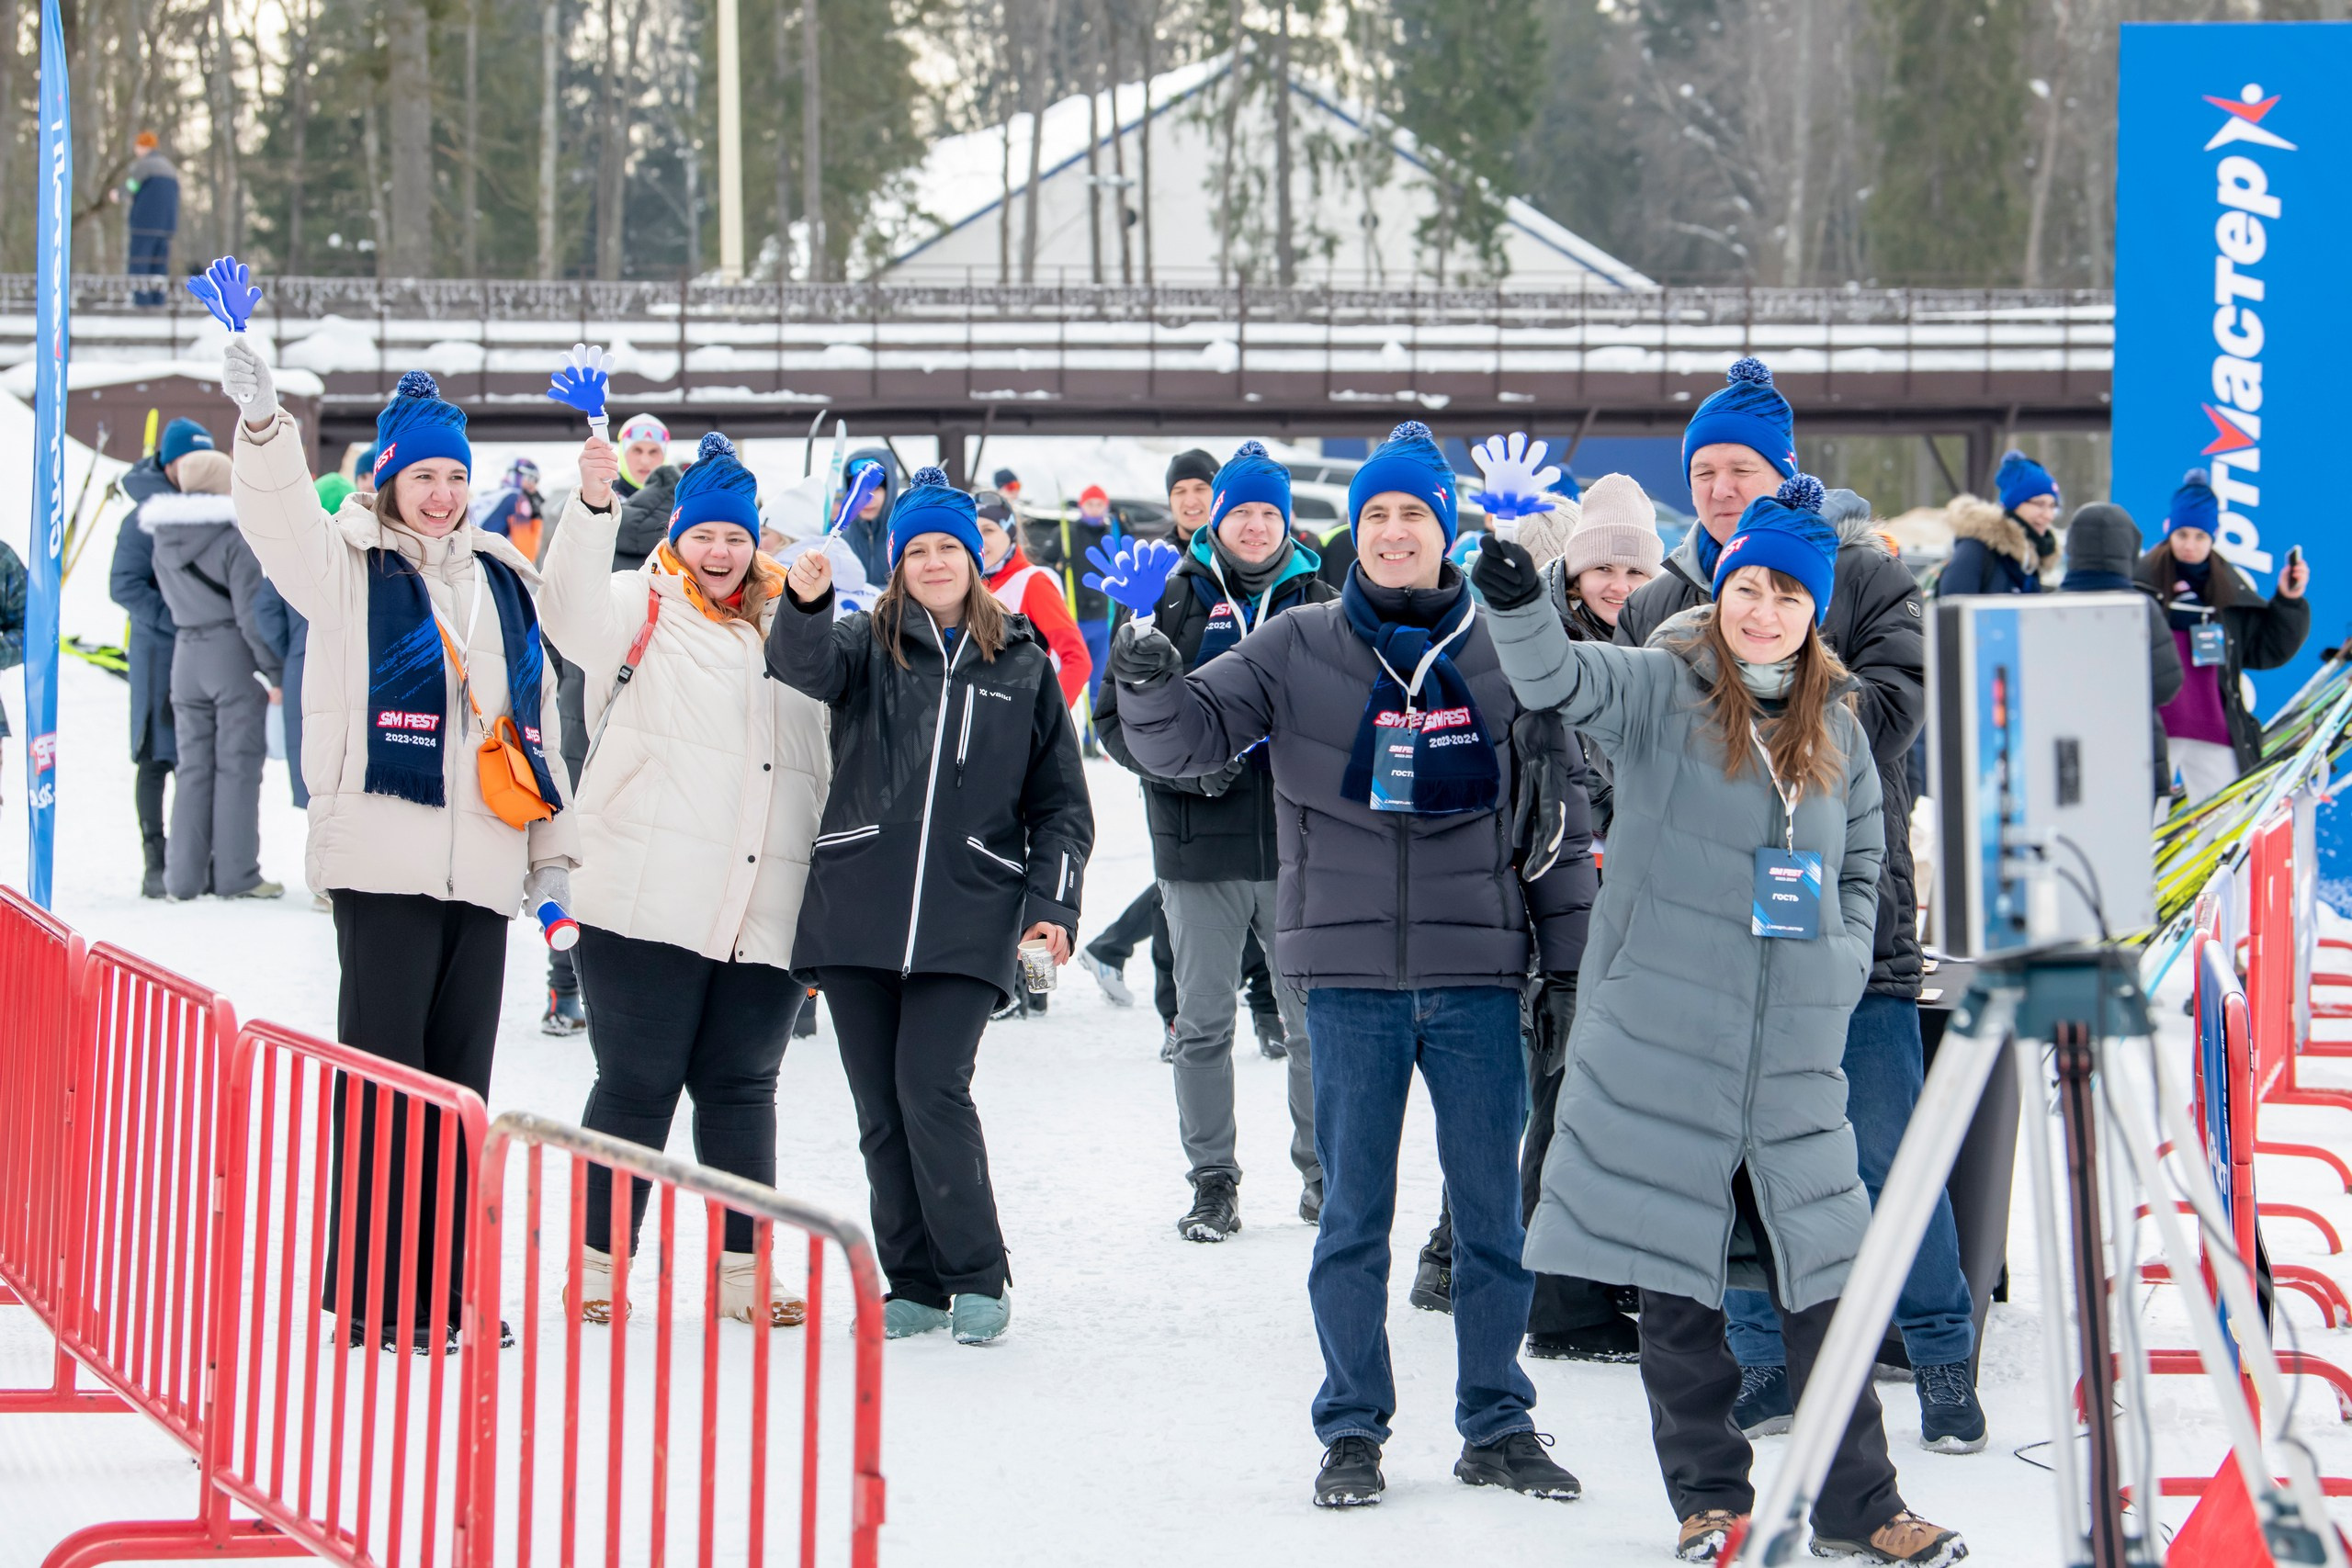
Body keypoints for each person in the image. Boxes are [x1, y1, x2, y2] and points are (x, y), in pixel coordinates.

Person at [1472, 480, 1963, 1568]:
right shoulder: (1660, 686)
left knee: (1820, 1280)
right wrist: (1515, 604)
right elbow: (1554, 676)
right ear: (1721, 590)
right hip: (1659, 1042)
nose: (1762, 609)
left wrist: (1833, 965)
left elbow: (1866, 863)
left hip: (1788, 1051)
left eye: (1787, 591)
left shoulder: (1836, 723)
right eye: (1747, 586)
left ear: (1814, 609)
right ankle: (1710, 1503)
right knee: (1677, 1285)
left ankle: (1858, 1504)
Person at [1111, 420, 1595, 1509]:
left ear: (1446, 533)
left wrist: (1564, 966)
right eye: (1374, 514)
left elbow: (1561, 804)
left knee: (1490, 1219)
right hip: (1346, 979)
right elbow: (1189, 740)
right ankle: (1351, 1428)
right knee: (1353, 1221)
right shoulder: (1297, 645)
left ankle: (1497, 1421)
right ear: (1353, 533)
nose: (1391, 530)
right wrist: (1145, 683)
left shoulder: (1503, 647)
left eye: (1412, 513)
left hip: (1478, 976)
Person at [1615, 360, 1968, 1452]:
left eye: (1742, 469)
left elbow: (1898, 712)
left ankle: (1943, 1353)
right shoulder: (1660, 603)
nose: (1721, 488)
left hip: (1849, 932)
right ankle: (1763, 1360)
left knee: (1878, 1150)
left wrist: (1765, 691)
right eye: (1705, 471)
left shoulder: (1863, 578)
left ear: (1786, 470)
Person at [221, 344, 577, 1350]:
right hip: (384, 859)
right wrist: (263, 427)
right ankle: (383, 1292)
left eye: (456, 475)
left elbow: (535, 731)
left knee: (461, 1089)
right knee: (386, 1084)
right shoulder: (345, 567)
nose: (442, 493)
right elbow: (277, 518)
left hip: (485, 867)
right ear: (387, 479)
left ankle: (451, 1286)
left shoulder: (503, 580)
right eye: (423, 475)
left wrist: (550, 866)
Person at [767, 467, 1091, 1347]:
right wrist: (805, 599)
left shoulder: (1019, 659)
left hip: (968, 907)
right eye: (917, 548)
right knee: (879, 1102)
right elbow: (798, 664)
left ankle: (977, 1273)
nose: (935, 560)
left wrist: (1051, 905)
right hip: (859, 905)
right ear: (898, 561)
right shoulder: (863, 643)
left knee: (931, 1086)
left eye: (949, 545)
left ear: (975, 557)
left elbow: (1061, 804)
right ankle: (910, 1280)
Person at [539, 429, 831, 1325]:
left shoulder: (799, 626)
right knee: (636, 1083)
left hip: (764, 904)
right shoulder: (640, 603)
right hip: (642, 890)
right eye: (705, 535)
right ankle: (595, 1276)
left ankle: (744, 1280)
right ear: (677, 537)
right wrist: (593, 509)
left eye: (736, 537)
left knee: (744, 1090)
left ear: (757, 543)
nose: (720, 552)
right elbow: (566, 609)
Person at [1096, 441, 1330, 1239]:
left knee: (1312, 1023)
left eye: (1271, 512)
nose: (1257, 526)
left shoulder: (1326, 597)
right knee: (1201, 1024)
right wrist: (1186, 774)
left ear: (1287, 520)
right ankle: (1213, 1179)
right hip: (1199, 846)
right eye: (1243, 511)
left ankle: (1323, 1173)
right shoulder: (1168, 598)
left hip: (1304, 851)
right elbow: (1111, 724)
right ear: (1218, 517)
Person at [1080, 447, 1290, 1061]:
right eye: (1183, 494)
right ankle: (1176, 1018)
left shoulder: (1304, 587)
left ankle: (1266, 1010)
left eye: (1202, 489)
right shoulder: (1156, 588)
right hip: (1189, 817)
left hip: (1285, 825)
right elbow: (1117, 719)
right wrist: (1187, 771)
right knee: (1182, 926)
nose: (1192, 502)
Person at [142, 448, 284, 900]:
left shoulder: (162, 537)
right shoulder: (233, 538)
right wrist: (274, 670)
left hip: (185, 656)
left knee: (192, 768)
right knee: (238, 766)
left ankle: (182, 879)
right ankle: (237, 874)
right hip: (231, 657)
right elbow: (249, 617)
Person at [2139, 467, 2311, 807]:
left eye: (2200, 536)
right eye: (2182, 534)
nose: (2190, 545)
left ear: (2214, 536)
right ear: (2168, 530)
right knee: (2142, 824)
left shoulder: (2228, 588)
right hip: (2154, 731)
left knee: (2227, 826)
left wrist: (2288, 601)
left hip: (2214, 726)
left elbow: (2265, 649)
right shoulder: (2140, 584)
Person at [110, 417, 216, 897]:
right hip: (156, 651)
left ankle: (199, 857)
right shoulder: (142, 517)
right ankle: (155, 859)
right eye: (187, 461)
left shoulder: (211, 508)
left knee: (201, 755)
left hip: (203, 650)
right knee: (155, 756)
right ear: (169, 463)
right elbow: (124, 584)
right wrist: (178, 616)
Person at [2059, 503, 2184, 805]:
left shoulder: (2047, 609)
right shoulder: (2141, 609)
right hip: (2133, 753)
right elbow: (2167, 683)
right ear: (2130, 548)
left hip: (2065, 757)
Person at [978, 491, 1092, 706]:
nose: (980, 540)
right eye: (972, 531)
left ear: (1010, 533)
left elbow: (1077, 660)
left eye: (989, 530)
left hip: (1020, 724)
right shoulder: (971, 584)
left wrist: (1045, 720)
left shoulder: (1032, 583)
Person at [1023, 484, 1118, 734]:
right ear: (1082, 506)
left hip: (1102, 619)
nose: (1095, 509)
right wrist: (1058, 565)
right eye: (1090, 504)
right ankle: (1061, 729)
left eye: (1099, 504)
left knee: (1100, 681)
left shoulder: (1112, 534)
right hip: (1073, 618)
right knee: (1071, 677)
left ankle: (1094, 738)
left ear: (1105, 507)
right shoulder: (1066, 532)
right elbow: (1043, 563)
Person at [1934, 450, 2058, 597]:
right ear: (2014, 504)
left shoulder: (2029, 559)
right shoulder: (1975, 551)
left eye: (2052, 506)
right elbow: (1952, 613)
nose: (2048, 515)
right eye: (2039, 504)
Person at [123, 131, 179, 307]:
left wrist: (117, 194)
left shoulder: (144, 166)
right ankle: (158, 301)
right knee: (159, 265)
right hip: (166, 227)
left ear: (143, 147)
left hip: (144, 224)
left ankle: (142, 302)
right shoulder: (170, 168)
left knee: (140, 263)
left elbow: (131, 186)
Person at [835, 452, 899, 585]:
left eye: (876, 489)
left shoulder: (905, 539)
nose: (867, 499)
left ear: (890, 490)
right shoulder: (838, 542)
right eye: (859, 490)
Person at [472, 457, 547, 561]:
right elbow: (527, 555)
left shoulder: (486, 496)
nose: (533, 485)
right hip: (491, 566)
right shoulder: (518, 499)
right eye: (531, 478)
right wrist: (536, 517)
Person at [616, 412, 670, 499]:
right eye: (637, 451)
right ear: (622, 455)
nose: (645, 461)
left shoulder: (679, 501)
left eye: (653, 452)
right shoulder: (601, 499)